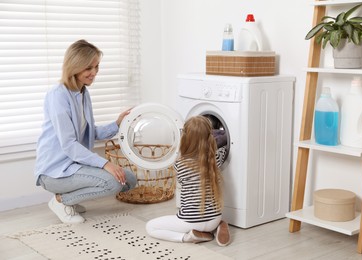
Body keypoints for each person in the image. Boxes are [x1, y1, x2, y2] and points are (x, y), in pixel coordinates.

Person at [34, 39, 137, 224]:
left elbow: (90, 132)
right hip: (55, 171)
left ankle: (71, 199)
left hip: (75, 166)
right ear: (75, 67)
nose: (94, 73)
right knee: (113, 182)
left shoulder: (82, 93)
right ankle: (61, 201)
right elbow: (69, 144)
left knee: (129, 180)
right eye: (89, 68)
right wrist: (106, 164)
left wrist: (118, 123)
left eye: (97, 66)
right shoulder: (58, 96)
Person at [146, 115, 231, 246]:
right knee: (208, 216)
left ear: (185, 138)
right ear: (211, 137)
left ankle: (187, 237)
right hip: (215, 218)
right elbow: (224, 148)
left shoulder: (180, 164)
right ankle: (218, 226)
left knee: (150, 227)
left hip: (190, 222)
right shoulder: (215, 160)